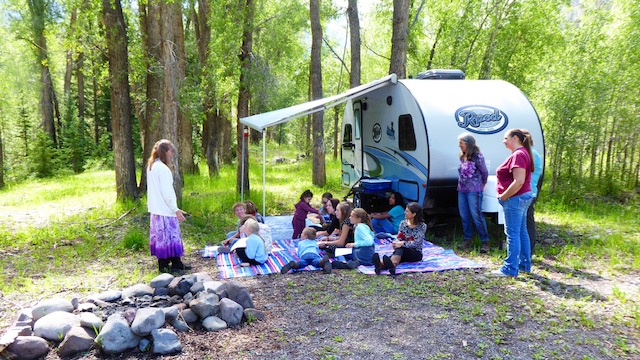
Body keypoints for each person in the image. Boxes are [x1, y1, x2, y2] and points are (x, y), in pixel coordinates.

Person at [491, 129, 534, 277]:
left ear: (515, 138)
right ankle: (524, 265)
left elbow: (519, 181)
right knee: (522, 232)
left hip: (515, 199)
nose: (504, 141)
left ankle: (510, 269)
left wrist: (503, 196)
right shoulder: (523, 154)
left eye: (505, 138)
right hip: (523, 197)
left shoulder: (518, 155)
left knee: (512, 234)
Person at [146, 139, 190, 273]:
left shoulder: (151, 166)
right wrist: (175, 209)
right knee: (171, 236)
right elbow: (167, 192)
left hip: (156, 209)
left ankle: (164, 264)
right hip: (165, 210)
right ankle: (175, 263)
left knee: (162, 239)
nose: (172, 154)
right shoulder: (163, 169)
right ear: (165, 151)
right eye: (170, 151)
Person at [456, 133, 490, 253]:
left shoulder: (477, 156)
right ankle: (467, 239)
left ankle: (485, 241)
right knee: (464, 215)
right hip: (462, 189)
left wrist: (483, 183)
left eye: (461, 143)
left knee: (476, 215)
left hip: (474, 190)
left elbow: (484, 171)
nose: (459, 145)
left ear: (468, 144)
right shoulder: (462, 156)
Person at [372, 202, 426, 275]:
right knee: (398, 252)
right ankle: (381, 265)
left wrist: (402, 244)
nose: (404, 213)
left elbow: (416, 243)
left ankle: (391, 265)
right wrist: (396, 243)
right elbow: (399, 237)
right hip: (402, 251)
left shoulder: (422, 226)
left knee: (400, 249)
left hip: (415, 253)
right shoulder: (403, 223)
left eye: (407, 211)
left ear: (414, 214)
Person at [522, 129, 543, 255]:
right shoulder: (532, 153)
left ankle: (528, 250)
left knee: (526, 221)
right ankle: (528, 249)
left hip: (527, 191)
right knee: (527, 220)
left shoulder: (531, 154)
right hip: (530, 190)